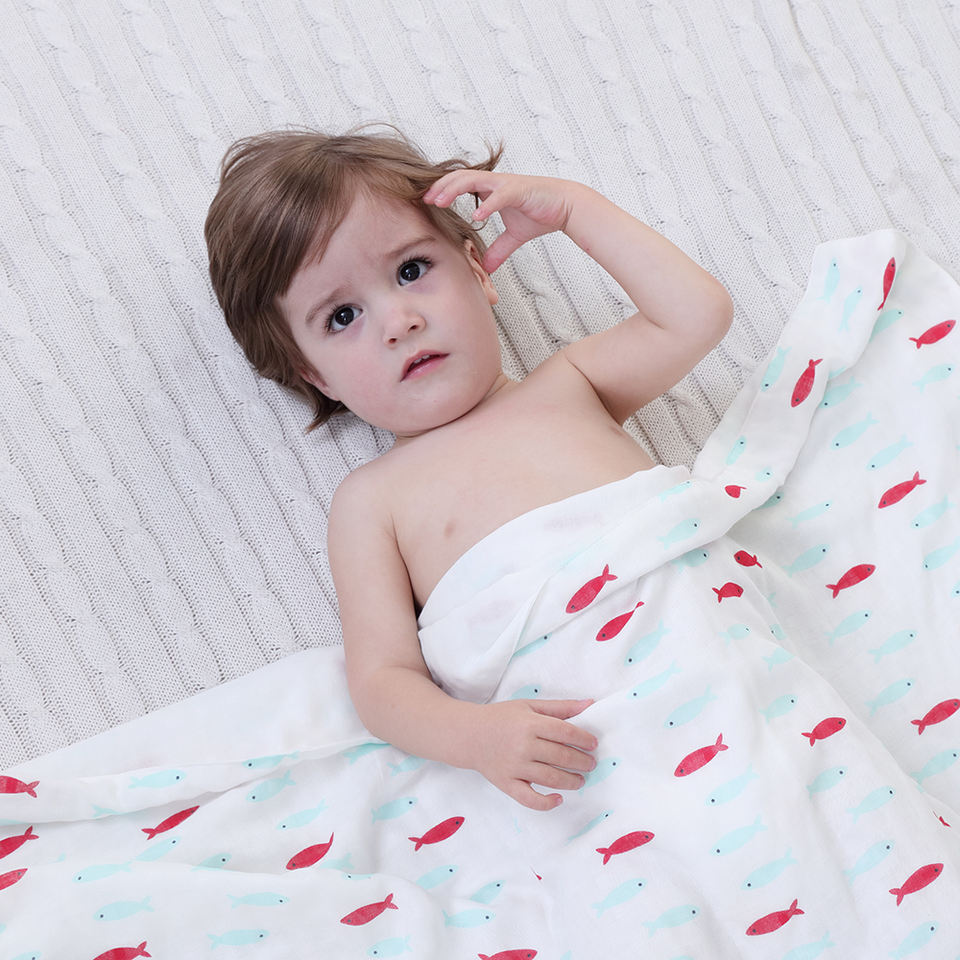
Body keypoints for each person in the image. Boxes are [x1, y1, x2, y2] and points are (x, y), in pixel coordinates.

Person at [205, 122, 733, 813]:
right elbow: (383, 681)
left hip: (716, 653)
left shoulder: (571, 385)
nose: (398, 320)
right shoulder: (372, 502)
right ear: (315, 375)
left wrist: (573, 208)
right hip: (588, 745)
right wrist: (475, 737)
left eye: (411, 271)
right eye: (342, 316)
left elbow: (697, 314)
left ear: (479, 271)